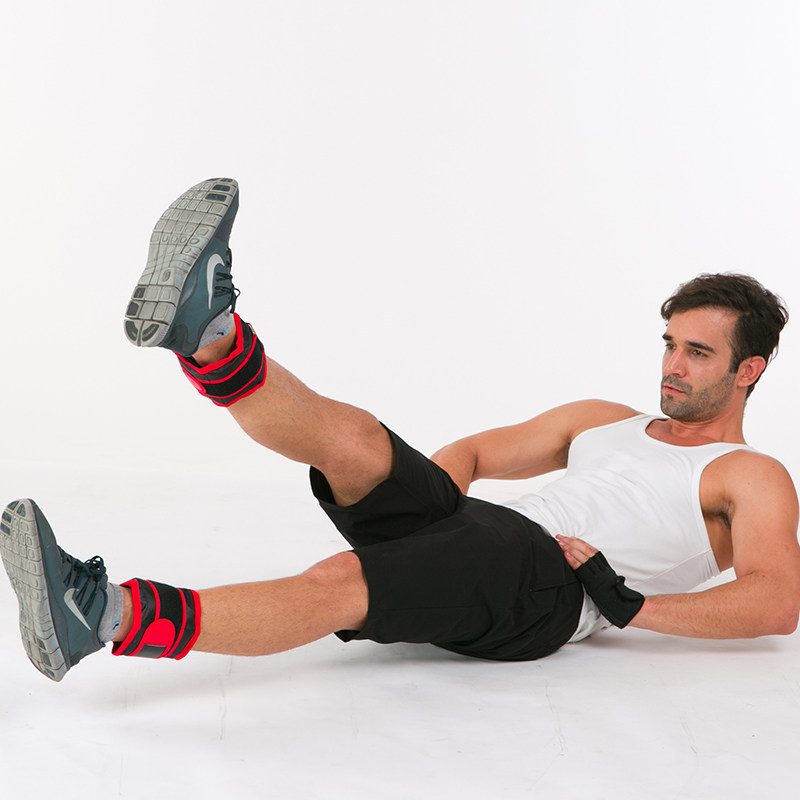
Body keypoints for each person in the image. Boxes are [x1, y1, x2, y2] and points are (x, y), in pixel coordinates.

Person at [2, 178, 799, 683]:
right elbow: (476, 454)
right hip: (485, 533)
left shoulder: (748, 474)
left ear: (749, 370)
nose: (673, 366)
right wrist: (423, 518)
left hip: (548, 592)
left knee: (335, 584)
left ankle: (103, 618)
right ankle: (208, 334)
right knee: (358, 443)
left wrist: (629, 607)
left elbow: (776, 604)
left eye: (698, 353)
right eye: (669, 344)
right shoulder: (606, 420)